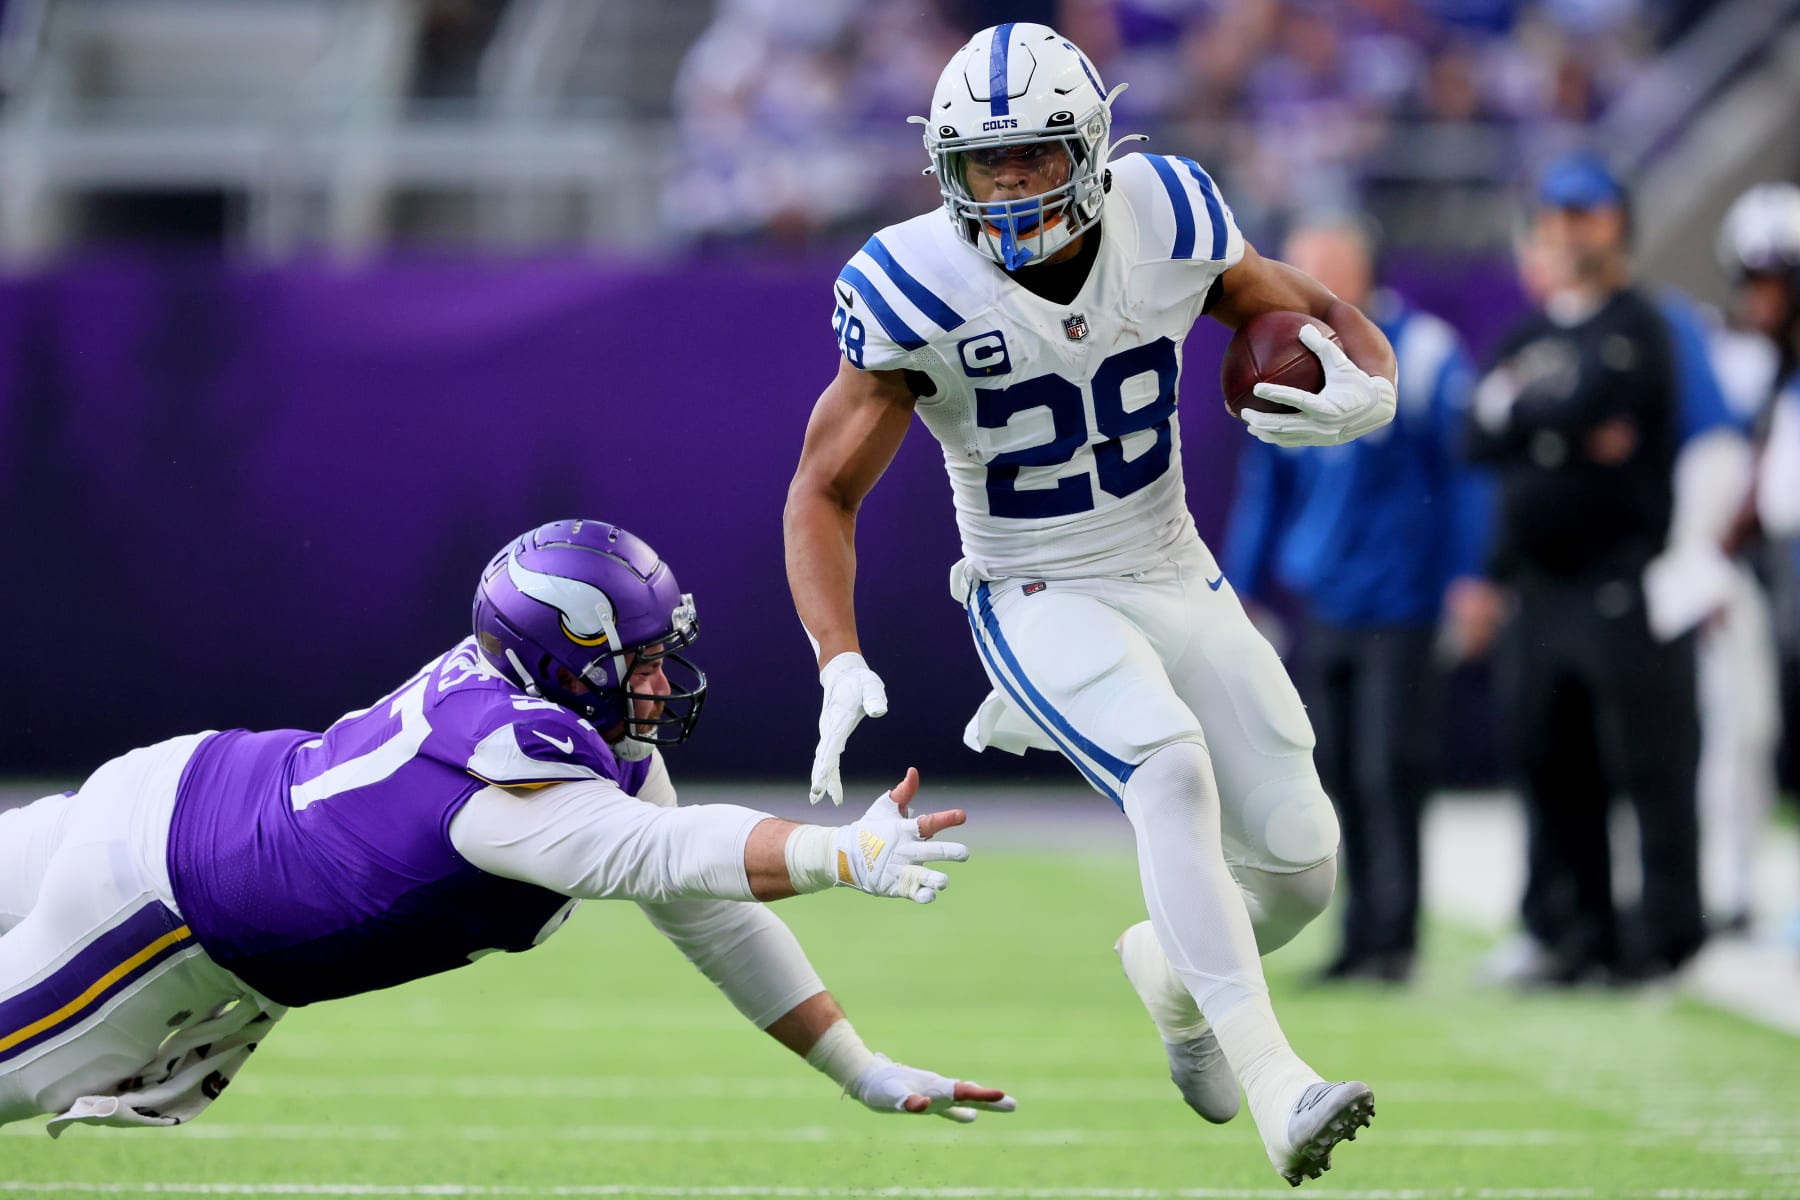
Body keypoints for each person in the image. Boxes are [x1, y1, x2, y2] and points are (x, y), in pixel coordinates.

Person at [783, 23, 1397, 1187]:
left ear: (1094, 146)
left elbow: (1311, 308)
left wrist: (1371, 391)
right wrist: (835, 655)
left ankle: (1171, 975)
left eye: (1031, 157)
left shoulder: (1167, 214)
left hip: (1172, 562)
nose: (1009, 189)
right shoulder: (914, 286)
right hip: (1031, 582)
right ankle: (1280, 1087)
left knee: (1304, 867)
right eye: (983, 164)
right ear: (946, 169)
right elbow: (821, 489)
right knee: (1167, 768)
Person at [0, 519, 1011, 1136]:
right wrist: (839, 851)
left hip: (170, 790)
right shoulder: (503, 791)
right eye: (639, 659)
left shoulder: (537, 701)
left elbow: (704, 913)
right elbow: (666, 854)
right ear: (566, 663)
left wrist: (858, 1067)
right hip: (155, 913)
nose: (659, 682)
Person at [1464, 152, 1727, 985]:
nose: (1571, 232)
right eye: (1560, 215)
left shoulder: (1644, 324)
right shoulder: (1530, 331)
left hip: (1623, 575)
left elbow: (1590, 408)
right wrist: (1559, 428)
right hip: (1540, 584)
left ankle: (1667, 938)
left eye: (1588, 215)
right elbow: (1479, 434)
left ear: (1617, 225)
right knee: (1551, 762)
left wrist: (1534, 417)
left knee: (1647, 763)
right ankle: (1575, 933)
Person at [1221, 214, 1491, 985]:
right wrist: (1243, 581)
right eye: (1303, 268)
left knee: (1389, 768)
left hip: (1401, 601)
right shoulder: (1285, 350)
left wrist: (1469, 575)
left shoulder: (1424, 352)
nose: (1313, 284)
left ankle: (1395, 938)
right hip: (1326, 600)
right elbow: (1265, 479)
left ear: (1365, 270)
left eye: (1328, 266)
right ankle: (1358, 936)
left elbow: (1466, 475)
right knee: (1335, 773)